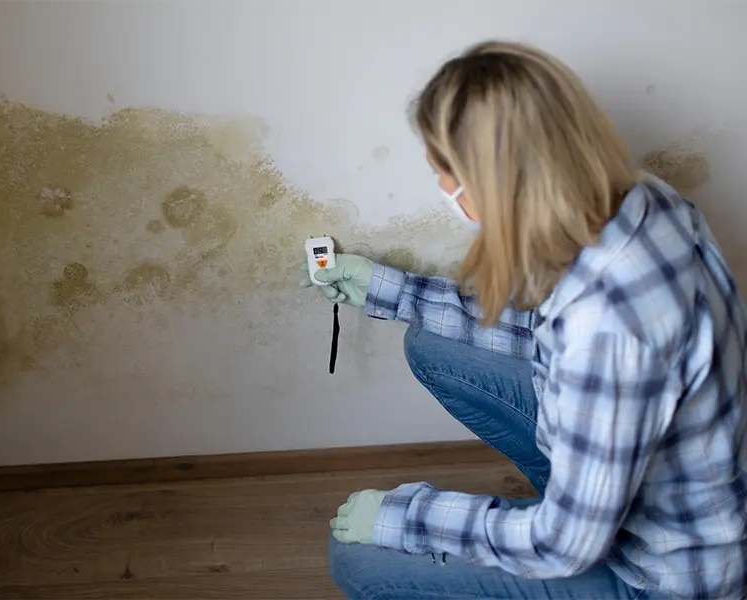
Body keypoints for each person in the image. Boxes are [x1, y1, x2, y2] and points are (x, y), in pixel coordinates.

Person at [300, 41, 747, 600]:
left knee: (358, 558)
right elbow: (543, 331)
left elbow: (564, 547)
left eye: (446, 170)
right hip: (646, 492)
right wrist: (388, 289)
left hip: (660, 577)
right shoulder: (641, 199)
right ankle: (561, 503)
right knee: (433, 345)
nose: (441, 186)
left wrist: (410, 516)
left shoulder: (606, 332)